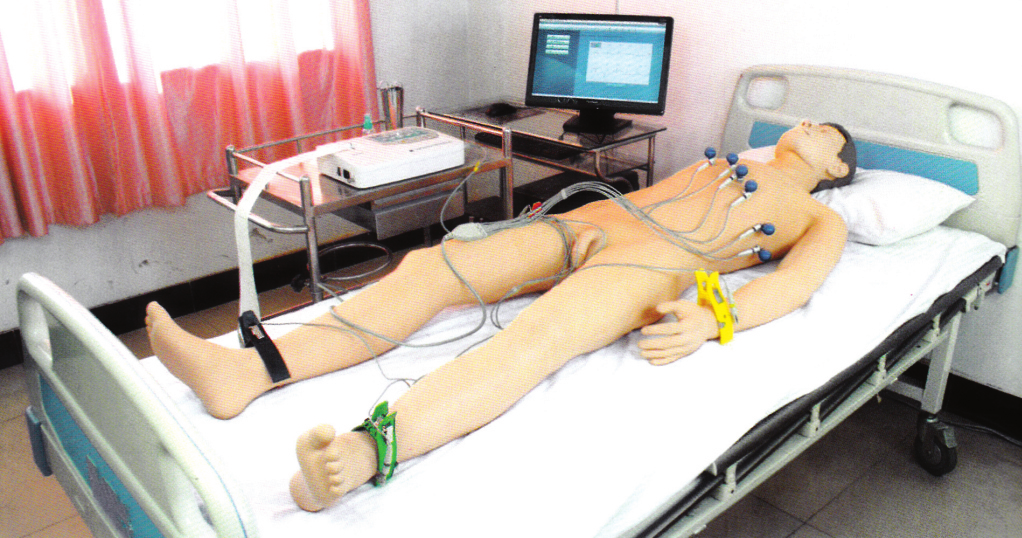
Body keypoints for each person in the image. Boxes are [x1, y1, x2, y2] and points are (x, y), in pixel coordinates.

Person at [145, 119, 857, 511]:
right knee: (433, 267)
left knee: (536, 338)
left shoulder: (820, 217)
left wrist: (708, 320)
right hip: (593, 224)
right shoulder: (722, 160)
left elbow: (792, 287)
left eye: (825, 132)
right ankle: (248, 370)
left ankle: (363, 453)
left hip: (654, 265)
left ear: (834, 169)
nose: (805, 125)